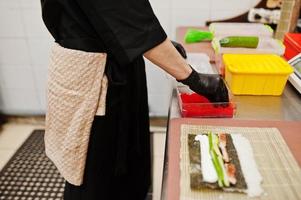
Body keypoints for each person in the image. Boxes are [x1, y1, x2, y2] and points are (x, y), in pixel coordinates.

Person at [40, 0, 229, 199]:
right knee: (99, 170)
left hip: (77, 68)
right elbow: (127, 17)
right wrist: (195, 79)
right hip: (98, 79)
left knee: (86, 163)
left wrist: (154, 45)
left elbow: (99, 16)